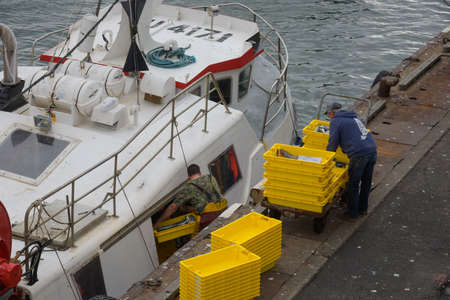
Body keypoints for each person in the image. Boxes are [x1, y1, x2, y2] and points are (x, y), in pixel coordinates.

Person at [325, 102, 377, 221]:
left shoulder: (336, 121)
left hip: (359, 154)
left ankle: (352, 214)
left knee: (353, 183)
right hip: (372, 150)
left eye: (328, 115)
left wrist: (326, 158)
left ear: (332, 113)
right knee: (366, 181)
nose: (329, 117)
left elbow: (332, 144)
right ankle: (363, 209)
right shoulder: (354, 117)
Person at [154, 164, 227, 230]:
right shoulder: (211, 178)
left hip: (210, 218)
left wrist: (158, 223)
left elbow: (173, 207)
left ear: (188, 176)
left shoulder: (189, 187)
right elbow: (208, 199)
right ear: (200, 173)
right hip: (224, 210)